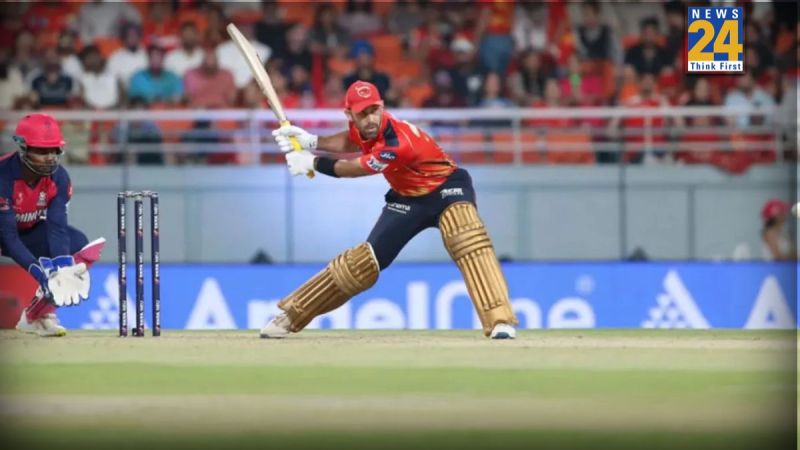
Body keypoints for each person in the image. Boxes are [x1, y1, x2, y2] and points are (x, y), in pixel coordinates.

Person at [262, 80, 518, 340]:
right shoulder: (364, 129)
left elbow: (355, 169)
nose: (370, 118)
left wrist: (313, 163)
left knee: (466, 237)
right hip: (407, 198)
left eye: (374, 110)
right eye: (362, 113)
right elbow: (351, 140)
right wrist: (311, 141)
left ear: (382, 106)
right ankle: (291, 315)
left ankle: (500, 321)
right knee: (360, 264)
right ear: (349, 115)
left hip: (446, 188)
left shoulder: (397, 142)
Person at [0, 113, 105, 337]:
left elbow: (57, 228)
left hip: (26, 232)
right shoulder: (3, 176)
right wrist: (42, 275)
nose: (49, 158)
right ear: (23, 148)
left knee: (77, 245)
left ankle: (37, 316)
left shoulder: (59, 178)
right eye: (41, 151)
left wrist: (63, 268)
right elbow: (8, 238)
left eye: (54, 150)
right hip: (5, 233)